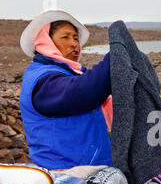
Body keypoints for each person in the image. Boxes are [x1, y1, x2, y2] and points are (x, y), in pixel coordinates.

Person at [19, 9, 113, 170]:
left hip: (89, 171)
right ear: (45, 41)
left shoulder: (71, 74)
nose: (74, 43)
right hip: (65, 177)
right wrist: (116, 54)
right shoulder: (44, 80)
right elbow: (85, 92)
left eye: (76, 38)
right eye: (65, 37)